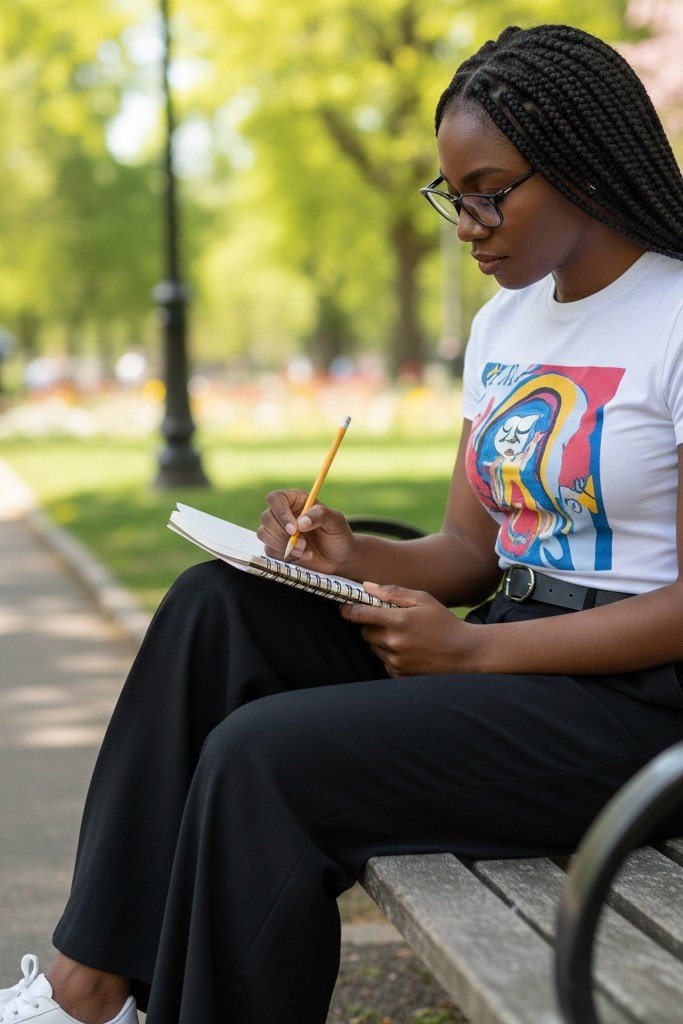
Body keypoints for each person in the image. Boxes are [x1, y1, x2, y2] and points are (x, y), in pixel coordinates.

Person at [2, 21, 683, 1024]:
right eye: (453, 194)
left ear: (580, 161)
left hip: (635, 711)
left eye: (490, 189)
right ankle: (87, 988)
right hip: (514, 652)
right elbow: (466, 549)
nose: (467, 221)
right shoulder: (505, 323)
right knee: (212, 606)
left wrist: (474, 657)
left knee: (263, 757)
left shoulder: (671, 317)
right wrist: (344, 556)